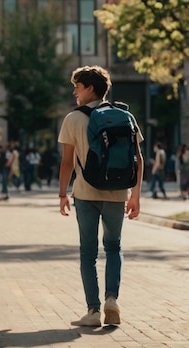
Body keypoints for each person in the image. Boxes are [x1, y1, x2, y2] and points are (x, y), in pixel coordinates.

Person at [58, 65, 144, 327]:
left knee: (88, 252)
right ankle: (112, 299)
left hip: (85, 193)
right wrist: (136, 195)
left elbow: (67, 162)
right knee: (114, 247)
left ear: (90, 89)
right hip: (118, 193)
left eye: (78, 87)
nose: (75, 92)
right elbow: (138, 159)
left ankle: (93, 311)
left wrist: (62, 193)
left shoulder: (73, 119)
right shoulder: (124, 115)